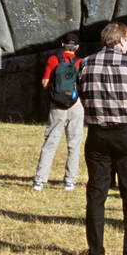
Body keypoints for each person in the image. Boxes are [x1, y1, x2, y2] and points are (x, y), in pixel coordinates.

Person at [78, 22, 127, 255]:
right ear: (122, 40)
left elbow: (82, 96)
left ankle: (95, 254)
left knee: (97, 194)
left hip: (98, 133)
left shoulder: (86, 64)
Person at [34, 32, 84, 191]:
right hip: (75, 106)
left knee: (50, 143)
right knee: (74, 145)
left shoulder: (53, 60)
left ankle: (40, 181)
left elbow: (44, 83)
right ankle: (70, 181)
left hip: (57, 106)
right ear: (77, 47)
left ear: (62, 45)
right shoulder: (81, 62)